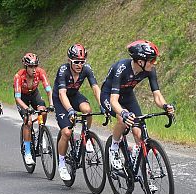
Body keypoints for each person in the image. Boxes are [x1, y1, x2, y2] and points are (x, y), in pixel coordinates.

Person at [100, 40, 175, 170]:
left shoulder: (149, 70)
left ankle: (142, 170)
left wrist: (165, 106)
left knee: (139, 132)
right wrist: (123, 113)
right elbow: (113, 101)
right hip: (109, 96)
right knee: (122, 120)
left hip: (128, 96)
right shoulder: (121, 68)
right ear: (140, 61)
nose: (154, 63)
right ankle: (114, 147)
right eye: (152, 60)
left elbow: (157, 95)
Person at [53, 44, 102, 180]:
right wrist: (69, 110)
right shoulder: (63, 70)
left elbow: (95, 88)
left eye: (82, 62)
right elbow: (62, 93)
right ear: (70, 61)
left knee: (87, 110)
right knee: (67, 132)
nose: (79, 65)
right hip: (60, 99)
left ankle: (86, 135)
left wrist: (103, 104)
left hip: (74, 95)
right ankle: (62, 163)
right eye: (76, 62)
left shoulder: (86, 69)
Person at [14, 53, 54, 165]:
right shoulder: (19, 76)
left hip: (34, 93)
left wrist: (51, 104)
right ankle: (27, 152)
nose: (34, 69)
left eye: (35, 66)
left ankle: (41, 133)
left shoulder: (41, 72)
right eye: (31, 67)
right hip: (22, 97)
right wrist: (27, 108)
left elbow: (49, 90)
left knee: (43, 111)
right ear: (25, 67)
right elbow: (17, 98)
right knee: (28, 120)